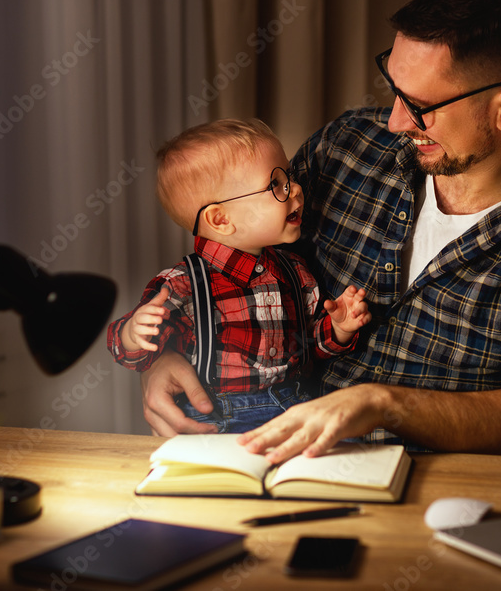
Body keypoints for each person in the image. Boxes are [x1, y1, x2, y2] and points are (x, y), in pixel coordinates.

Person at [140, 0, 501, 463]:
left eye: (420, 106)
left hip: (432, 506)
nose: (396, 120)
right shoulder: (347, 147)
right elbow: (236, 257)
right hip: (267, 463)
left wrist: (382, 403)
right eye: (394, 87)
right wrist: (167, 355)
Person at [108, 119, 371, 433]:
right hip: (218, 415)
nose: (296, 189)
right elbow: (134, 353)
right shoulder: (182, 284)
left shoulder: (294, 270)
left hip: (294, 406)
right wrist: (132, 334)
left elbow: (308, 346)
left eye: (288, 176)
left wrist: (338, 328)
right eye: (275, 184)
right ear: (220, 219)